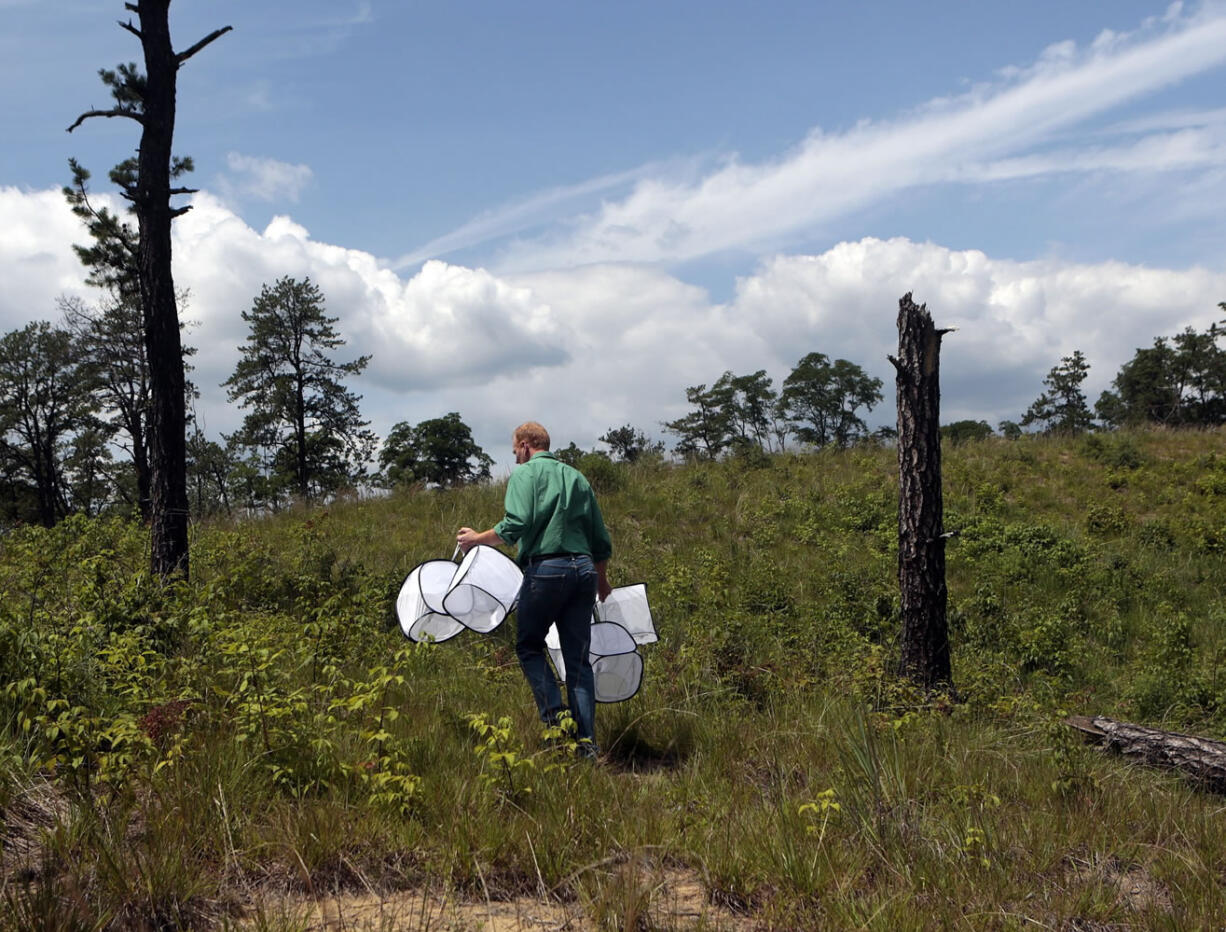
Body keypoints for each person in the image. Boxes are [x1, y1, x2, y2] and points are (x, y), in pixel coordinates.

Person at [457, 421, 613, 758]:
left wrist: (475, 540)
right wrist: (601, 579)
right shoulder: (577, 478)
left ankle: (557, 725)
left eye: (515, 448)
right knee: (579, 662)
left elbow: (516, 524)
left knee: (528, 646)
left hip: (546, 569)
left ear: (527, 444)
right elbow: (600, 538)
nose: (514, 455)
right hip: (584, 570)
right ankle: (586, 748)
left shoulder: (524, 476)